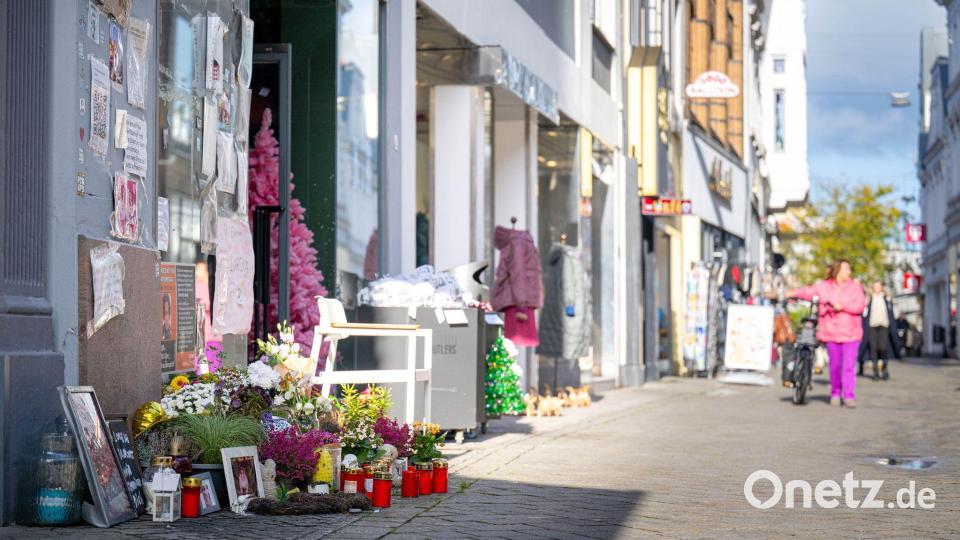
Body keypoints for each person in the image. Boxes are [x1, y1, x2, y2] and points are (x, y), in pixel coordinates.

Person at [786, 260, 866, 408]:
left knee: (848, 366)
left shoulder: (855, 287)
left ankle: (848, 395)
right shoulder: (825, 286)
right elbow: (809, 292)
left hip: (851, 333)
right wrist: (794, 292)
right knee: (834, 366)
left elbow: (860, 305)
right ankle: (835, 393)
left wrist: (842, 306)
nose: (849, 272)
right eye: (846, 269)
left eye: (849, 269)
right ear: (837, 270)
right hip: (831, 332)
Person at [858, 281, 900, 380]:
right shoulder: (869, 299)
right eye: (875, 286)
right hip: (872, 327)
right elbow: (864, 314)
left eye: (878, 286)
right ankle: (875, 372)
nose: (877, 288)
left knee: (883, 347)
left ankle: (884, 368)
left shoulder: (886, 299)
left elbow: (891, 314)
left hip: (883, 326)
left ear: (881, 288)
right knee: (873, 349)